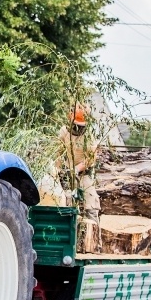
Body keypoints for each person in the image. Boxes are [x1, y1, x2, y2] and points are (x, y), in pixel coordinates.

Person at [58, 105, 101, 249]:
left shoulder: (90, 135)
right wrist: (58, 170)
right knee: (67, 200)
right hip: (67, 173)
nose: (77, 129)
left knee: (90, 200)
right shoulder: (64, 131)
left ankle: (95, 243)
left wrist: (77, 169)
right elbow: (57, 152)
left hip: (84, 172)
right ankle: (67, 240)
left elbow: (91, 158)